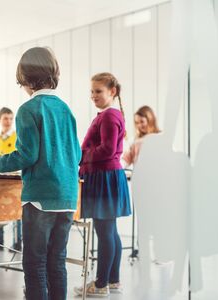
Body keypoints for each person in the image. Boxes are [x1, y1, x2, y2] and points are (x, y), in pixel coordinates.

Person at [0, 47, 81, 300]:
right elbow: (76, 155)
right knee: (56, 262)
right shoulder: (66, 109)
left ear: (26, 77)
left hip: (40, 199)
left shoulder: (28, 109)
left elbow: (26, 155)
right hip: (68, 197)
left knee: (34, 265)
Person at [75, 72, 131, 297]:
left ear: (112, 92)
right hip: (107, 177)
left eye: (98, 91)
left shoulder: (108, 116)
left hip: (104, 178)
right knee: (110, 231)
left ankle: (100, 285)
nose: (93, 95)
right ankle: (112, 280)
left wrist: (82, 155)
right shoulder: (108, 115)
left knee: (105, 232)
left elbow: (107, 150)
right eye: (92, 91)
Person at [0, 107, 23, 252]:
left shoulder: (17, 135)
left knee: (16, 208)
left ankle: (17, 242)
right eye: (5, 118)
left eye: (10, 118)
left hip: (14, 175)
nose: (8, 121)